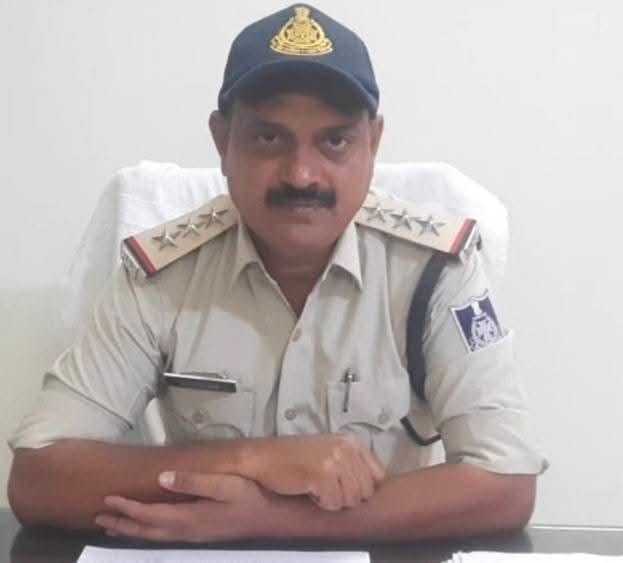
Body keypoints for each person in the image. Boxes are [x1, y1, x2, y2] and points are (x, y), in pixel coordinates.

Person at [7, 4, 546, 542]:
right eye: (269, 138)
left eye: (335, 141)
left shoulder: (434, 272)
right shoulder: (164, 276)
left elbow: (506, 483)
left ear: (373, 144)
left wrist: (273, 518)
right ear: (223, 142)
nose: (302, 174)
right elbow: (37, 479)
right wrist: (253, 458)